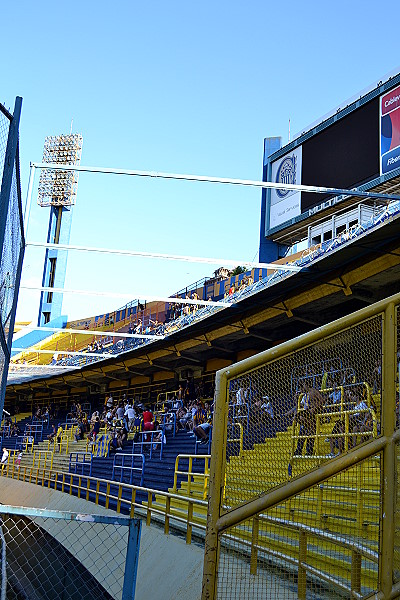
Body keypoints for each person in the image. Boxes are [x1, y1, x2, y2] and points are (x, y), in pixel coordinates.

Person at [293, 387, 325, 457]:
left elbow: (322, 401)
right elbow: (300, 405)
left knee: (309, 433)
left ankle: (309, 450)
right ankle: (299, 450)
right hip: (307, 414)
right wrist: (296, 399)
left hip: (313, 413)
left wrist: (314, 407)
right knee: (298, 418)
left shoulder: (314, 391)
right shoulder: (304, 395)